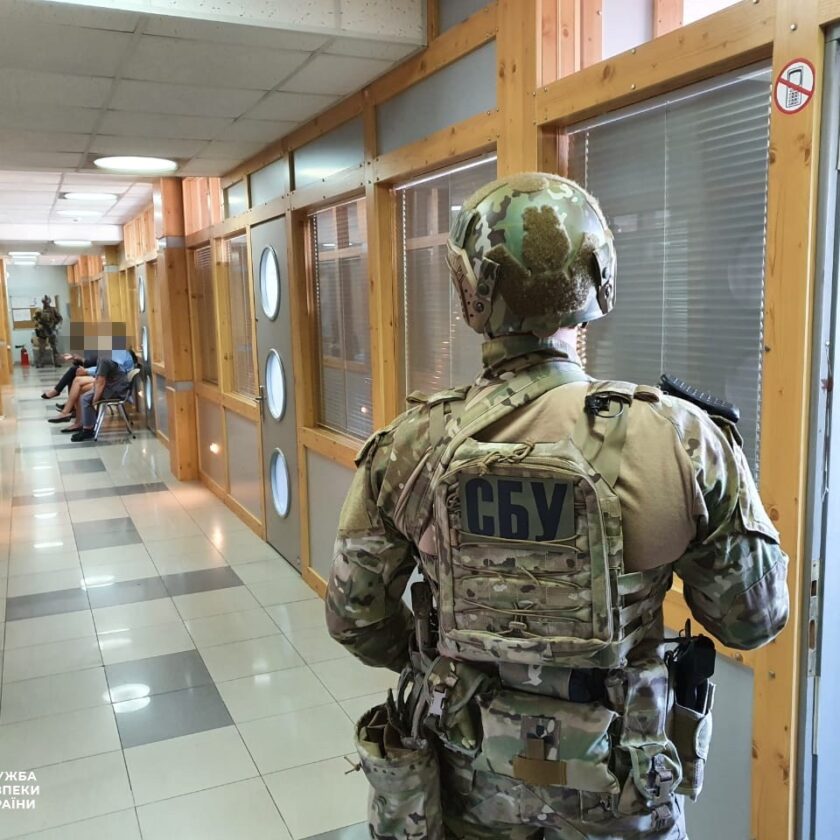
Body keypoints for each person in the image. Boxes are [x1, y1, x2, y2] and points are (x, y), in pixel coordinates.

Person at [325, 173, 790, 839]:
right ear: (600, 281)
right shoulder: (682, 440)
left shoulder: (410, 447)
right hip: (623, 787)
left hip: (466, 780)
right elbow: (752, 621)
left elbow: (355, 618)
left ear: (471, 292)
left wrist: (444, 656)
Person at [34, 295, 62, 367]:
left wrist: (56, 326)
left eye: (46, 302)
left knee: (54, 347)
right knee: (41, 348)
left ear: (49, 302)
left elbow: (60, 319)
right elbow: (35, 320)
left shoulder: (53, 310)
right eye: (44, 302)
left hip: (51, 330)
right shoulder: (39, 311)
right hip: (42, 332)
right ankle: (40, 363)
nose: (45, 303)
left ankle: (57, 362)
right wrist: (38, 325)